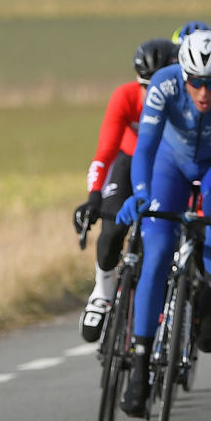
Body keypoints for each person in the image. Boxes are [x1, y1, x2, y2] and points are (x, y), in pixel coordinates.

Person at [115, 30, 211, 418]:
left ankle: (210, 293)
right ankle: (140, 366)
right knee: (156, 252)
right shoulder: (164, 84)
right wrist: (140, 192)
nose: (204, 93)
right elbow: (145, 147)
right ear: (183, 74)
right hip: (170, 165)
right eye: (195, 82)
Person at [73, 37, 178, 342]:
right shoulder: (125, 96)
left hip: (166, 166)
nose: (149, 95)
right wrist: (94, 196)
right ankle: (103, 291)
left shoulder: (181, 100)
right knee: (110, 231)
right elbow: (105, 152)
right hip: (128, 163)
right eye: (144, 86)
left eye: (156, 86)